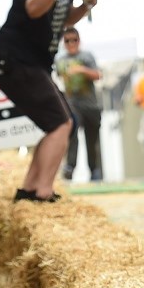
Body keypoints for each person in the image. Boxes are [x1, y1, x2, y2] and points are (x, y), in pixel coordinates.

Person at [0, 0, 97, 203]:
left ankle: (29, 190)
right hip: (14, 61)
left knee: (60, 124)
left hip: (34, 64)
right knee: (62, 124)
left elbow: (62, 19)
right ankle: (42, 193)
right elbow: (33, 8)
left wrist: (85, 5)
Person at [56, 27, 103, 181]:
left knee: (92, 139)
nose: (71, 43)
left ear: (79, 40)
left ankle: (94, 170)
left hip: (91, 105)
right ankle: (70, 167)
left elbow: (98, 75)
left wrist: (81, 70)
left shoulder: (87, 56)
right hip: (72, 104)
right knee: (72, 131)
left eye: (74, 40)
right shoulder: (60, 60)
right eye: (67, 40)